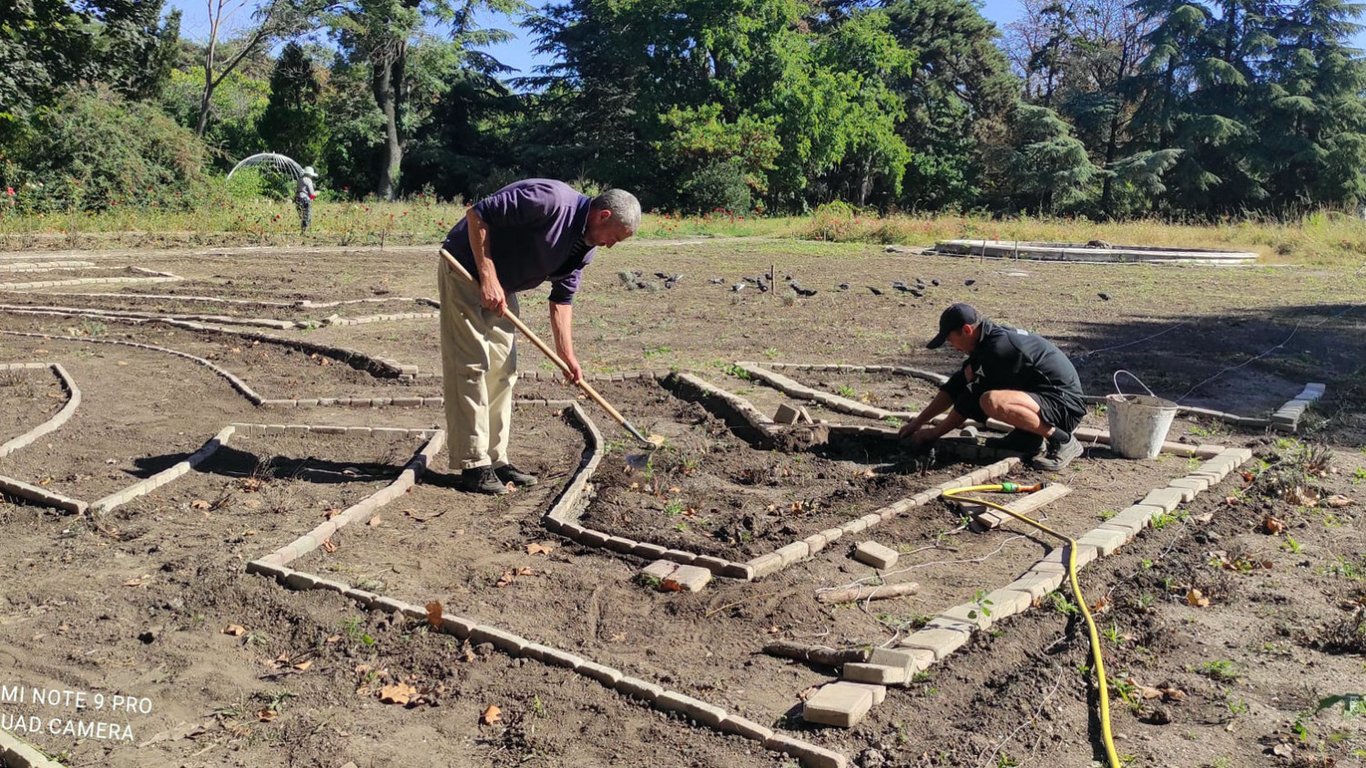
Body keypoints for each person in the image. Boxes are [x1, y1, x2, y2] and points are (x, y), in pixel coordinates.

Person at [438, 179, 640, 494]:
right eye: (614, 237)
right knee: (472, 364)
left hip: (503, 287)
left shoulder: (584, 250)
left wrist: (567, 355)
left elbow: (562, 300)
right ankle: (473, 463)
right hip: (465, 268)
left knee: (504, 370)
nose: (611, 245)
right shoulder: (550, 201)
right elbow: (477, 214)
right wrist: (488, 277)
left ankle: (495, 457)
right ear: (603, 216)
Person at [898, 303, 1086, 470]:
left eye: (950, 338)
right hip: (1045, 398)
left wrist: (934, 433)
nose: (951, 345)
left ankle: (1063, 440)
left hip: (1064, 406)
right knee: (984, 393)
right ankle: (1027, 438)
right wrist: (918, 422)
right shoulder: (986, 342)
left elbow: (967, 402)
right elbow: (955, 386)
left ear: (966, 330)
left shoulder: (998, 350)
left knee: (992, 401)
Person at [295, 166, 318, 233]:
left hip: (297, 198)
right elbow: (312, 194)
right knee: (307, 215)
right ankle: (305, 231)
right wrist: (317, 193)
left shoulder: (300, 180)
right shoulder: (309, 180)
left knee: (301, 215)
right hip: (305, 199)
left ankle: (303, 230)